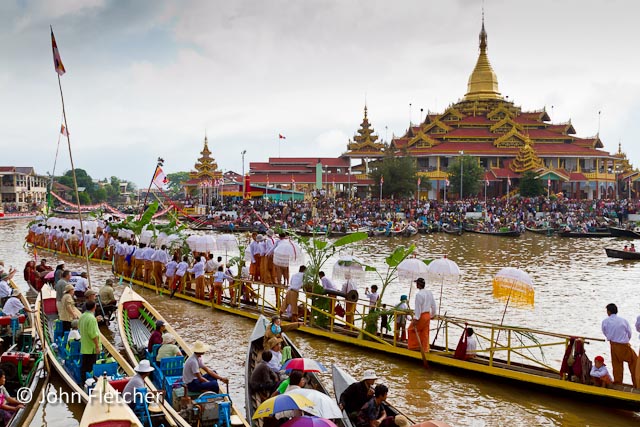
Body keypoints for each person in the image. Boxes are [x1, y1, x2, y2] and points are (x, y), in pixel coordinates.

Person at [601, 303, 637, 386]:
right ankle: (637, 383)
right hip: (623, 345)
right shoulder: (623, 320)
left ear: (608, 312)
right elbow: (629, 333)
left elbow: (605, 332)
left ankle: (618, 382)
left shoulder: (605, 321)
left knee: (616, 364)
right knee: (634, 362)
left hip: (613, 344)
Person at [408, 277, 437, 352]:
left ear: (418, 285)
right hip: (427, 315)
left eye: (417, 283)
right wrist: (432, 315)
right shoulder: (429, 293)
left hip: (422, 315)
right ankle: (425, 349)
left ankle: (414, 347)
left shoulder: (419, 295)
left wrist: (416, 319)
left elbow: (418, 308)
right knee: (425, 332)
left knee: (411, 330)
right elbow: (433, 306)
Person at [79, 301, 101, 382]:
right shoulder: (91, 319)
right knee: (91, 366)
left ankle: (83, 380)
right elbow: (93, 335)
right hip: (91, 347)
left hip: (85, 345)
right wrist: (97, 346)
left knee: (85, 365)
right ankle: (88, 382)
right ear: (94, 307)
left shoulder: (83, 316)